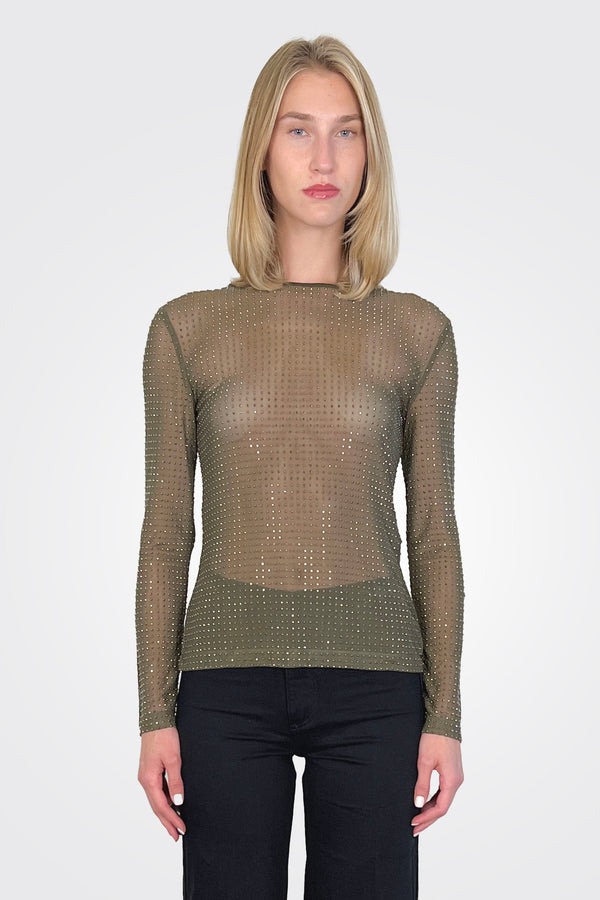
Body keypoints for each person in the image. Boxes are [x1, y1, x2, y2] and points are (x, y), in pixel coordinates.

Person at [135, 34, 465, 899]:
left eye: (347, 132)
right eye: (299, 131)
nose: (325, 158)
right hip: (223, 683)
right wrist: (154, 712)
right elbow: (167, 533)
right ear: (261, 150)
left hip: (378, 683)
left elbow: (434, 533)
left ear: (370, 155)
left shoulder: (417, 332)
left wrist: (446, 715)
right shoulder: (187, 330)